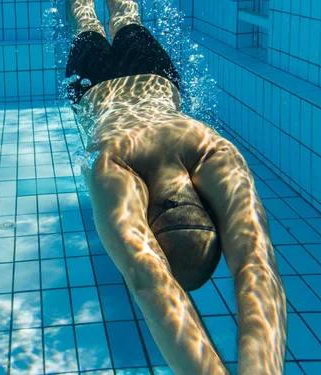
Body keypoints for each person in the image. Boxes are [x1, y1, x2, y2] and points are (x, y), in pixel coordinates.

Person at [65, 0, 287, 374]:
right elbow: (253, 264)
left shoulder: (119, 163)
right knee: (105, 16)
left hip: (130, 80)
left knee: (97, 14)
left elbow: (151, 279)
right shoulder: (208, 151)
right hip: (116, 86)